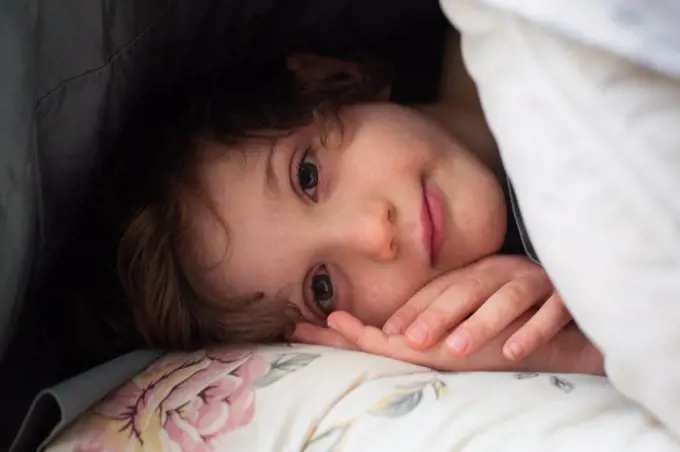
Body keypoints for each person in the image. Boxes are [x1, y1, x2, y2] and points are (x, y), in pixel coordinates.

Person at [113, 36, 604, 375]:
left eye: (307, 177)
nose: (373, 234)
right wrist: (575, 351)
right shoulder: (545, 317)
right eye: (322, 288)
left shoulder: (514, 24)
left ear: (331, 80)